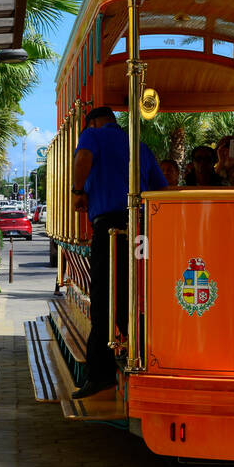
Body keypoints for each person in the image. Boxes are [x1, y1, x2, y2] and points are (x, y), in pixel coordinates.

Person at [71, 106, 167, 399]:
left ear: (96, 122)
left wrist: (77, 192)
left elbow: (83, 157)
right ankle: (147, 360)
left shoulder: (92, 135)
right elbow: (161, 188)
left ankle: (100, 375)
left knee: (103, 299)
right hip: (139, 226)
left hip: (109, 226)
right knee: (131, 297)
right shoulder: (137, 145)